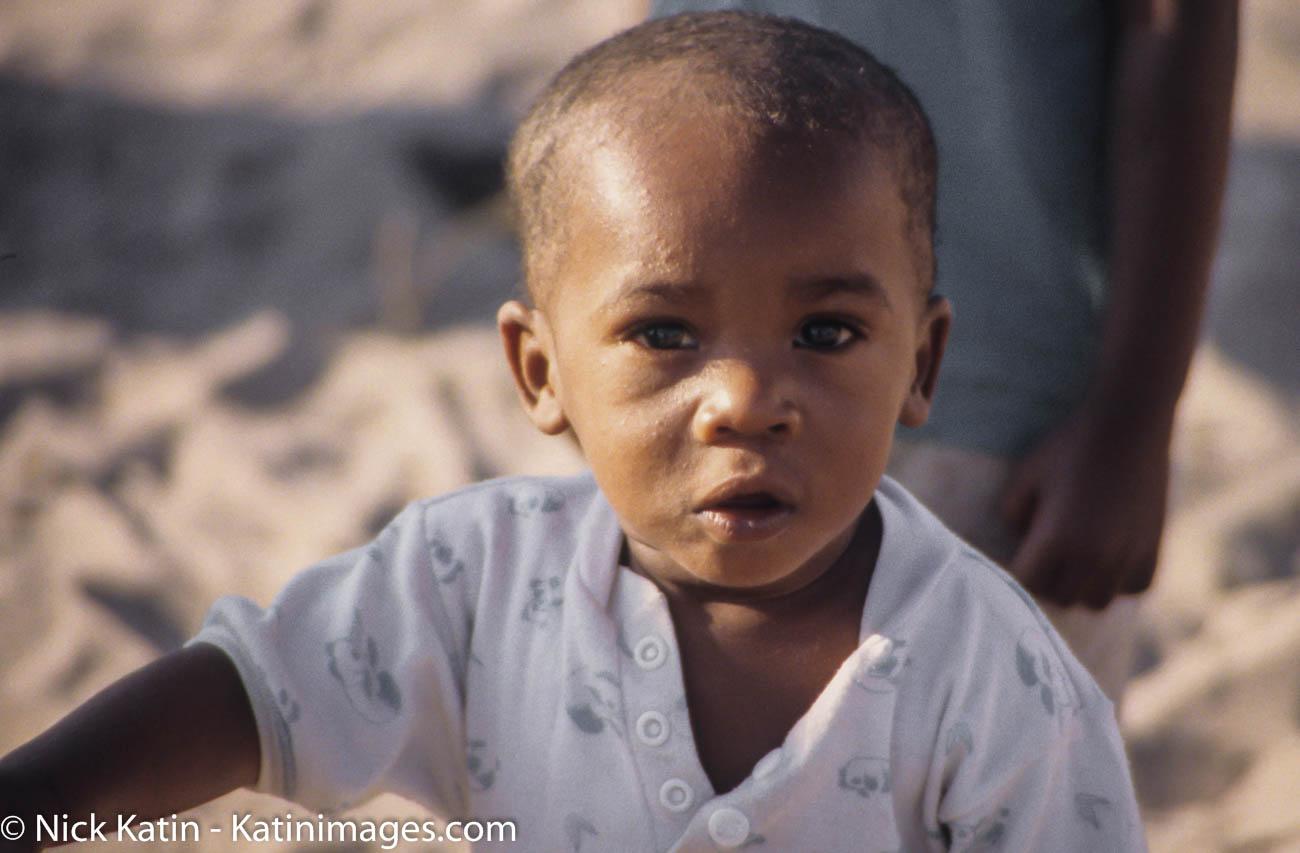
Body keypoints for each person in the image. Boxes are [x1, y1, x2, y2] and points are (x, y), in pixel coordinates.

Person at [0, 12, 1145, 851]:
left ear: (924, 362)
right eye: (662, 334)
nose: (744, 398)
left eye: (828, 332)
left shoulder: (993, 677)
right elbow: (249, 697)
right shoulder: (471, 580)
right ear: (539, 373)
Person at [650, 0, 1239, 701]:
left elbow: (1173, 23)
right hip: (688, 385)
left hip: (995, 423)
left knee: (984, 788)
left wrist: (1131, 417)